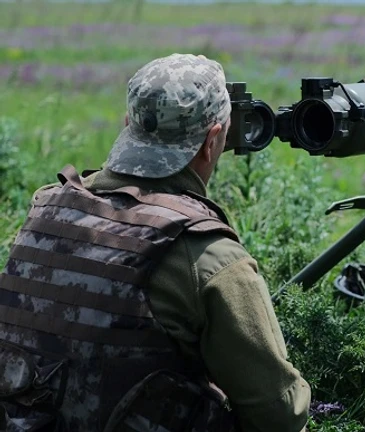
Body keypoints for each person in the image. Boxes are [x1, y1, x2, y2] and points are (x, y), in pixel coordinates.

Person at [0, 53, 311, 432]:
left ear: (127, 124)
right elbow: (280, 414)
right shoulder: (207, 255)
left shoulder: (46, 209)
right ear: (212, 141)